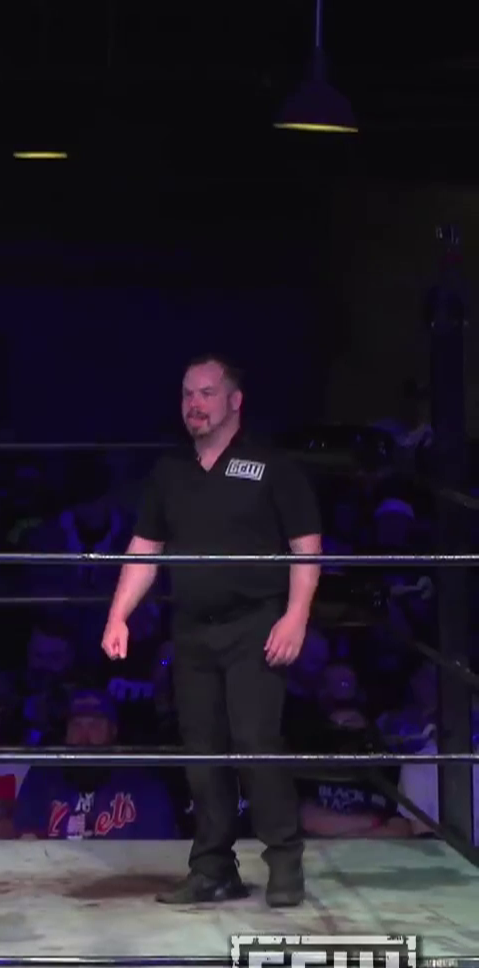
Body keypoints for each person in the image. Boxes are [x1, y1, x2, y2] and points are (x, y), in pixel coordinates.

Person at [102, 355, 322, 907]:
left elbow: (306, 546)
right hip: (192, 628)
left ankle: (284, 862)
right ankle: (213, 869)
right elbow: (145, 548)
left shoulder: (271, 465)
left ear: (234, 400)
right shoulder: (170, 471)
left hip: (255, 625)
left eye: (206, 393)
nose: (194, 405)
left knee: (256, 742)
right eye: (187, 394)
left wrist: (296, 616)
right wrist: (118, 614)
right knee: (201, 750)